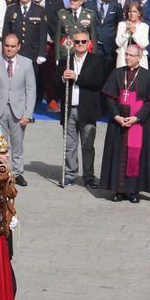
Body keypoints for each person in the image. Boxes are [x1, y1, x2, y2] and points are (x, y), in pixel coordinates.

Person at [100, 42, 150, 203]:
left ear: (139, 58)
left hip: (138, 124)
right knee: (117, 155)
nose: (127, 57)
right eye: (126, 54)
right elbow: (110, 98)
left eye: (131, 55)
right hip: (118, 123)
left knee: (135, 156)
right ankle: (118, 190)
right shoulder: (116, 73)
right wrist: (116, 116)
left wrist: (138, 117)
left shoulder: (147, 76)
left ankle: (133, 191)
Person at [0, 31, 37, 187]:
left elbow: (31, 90)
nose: (9, 49)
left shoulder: (27, 63)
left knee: (17, 143)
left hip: (18, 110)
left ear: (18, 47)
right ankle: (3, 171)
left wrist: (28, 114)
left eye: (12, 46)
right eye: (6, 46)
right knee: (1, 142)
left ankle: (17, 173)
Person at [60, 28, 107, 188]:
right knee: (69, 146)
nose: (79, 44)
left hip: (87, 109)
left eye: (83, 42)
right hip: (69, 108)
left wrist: (77, 77)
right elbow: (54, 82)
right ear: (72, 43)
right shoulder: (65, 59)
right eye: (77, 41)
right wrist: (62, 77)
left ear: (89, 43)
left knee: (87, 145)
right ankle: (70, 174)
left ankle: (88, 176)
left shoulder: (96, 60)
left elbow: (97, 82)